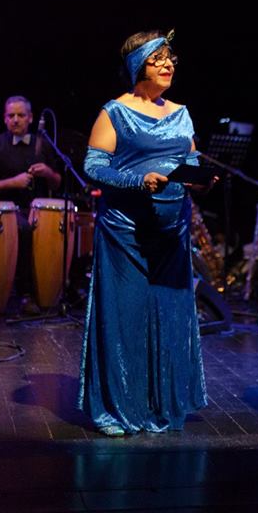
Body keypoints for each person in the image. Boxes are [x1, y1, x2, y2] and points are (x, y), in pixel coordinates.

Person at [78, 30, 208, 437]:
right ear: (138, 66)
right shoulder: (115, 112)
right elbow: (94, 166)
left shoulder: (182, 113)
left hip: (171, 234)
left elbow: (190, 160)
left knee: (169, 319)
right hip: (126, 234)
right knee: (127, 320)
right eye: (158, 59)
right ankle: (120, 407)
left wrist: (200, 178)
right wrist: (138, 180)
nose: (168, 64)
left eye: (171, 58)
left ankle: (160, 405)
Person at [0, 96, 62, 303]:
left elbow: (57, 183)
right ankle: (26, 293)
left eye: (21, 115)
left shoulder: (43, 145)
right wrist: (12, 182)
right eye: (11, 115)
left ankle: (51, 291)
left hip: (37, 212)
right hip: (5, 212)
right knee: (23, 228)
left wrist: (48, 172)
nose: (15, 120)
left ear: (30, 118)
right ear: (4, 119)